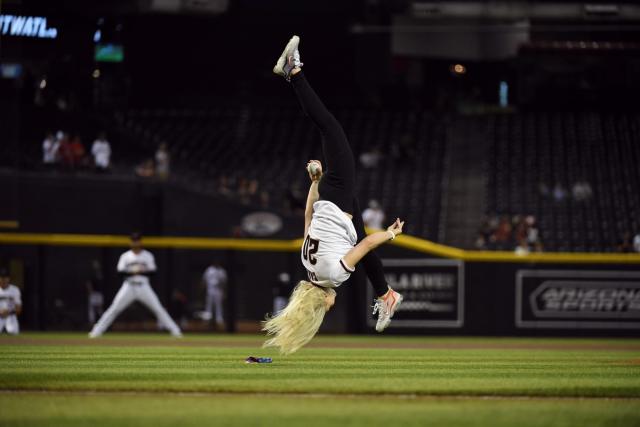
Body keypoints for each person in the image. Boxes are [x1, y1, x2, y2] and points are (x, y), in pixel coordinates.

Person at [262, 36, 405, 355]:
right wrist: (314, 180)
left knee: (329, 127)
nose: (329, 308)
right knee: (361, 236)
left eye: (324, 309)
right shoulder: (306, 264)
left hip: (338, 196)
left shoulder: (334, 276)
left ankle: (293, 72)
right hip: (328, 196)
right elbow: (308, 216)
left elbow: (369, 244)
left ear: (321, 300)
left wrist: (392, 235)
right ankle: (385, 295)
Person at [89, 232, 182, 338]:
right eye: (133, 240)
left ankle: (175, 330)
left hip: (144, 286)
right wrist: (133, 272)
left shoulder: (147, 255)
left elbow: (153, 272)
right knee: (114, 308)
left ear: (140, 242)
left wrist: (139, 272)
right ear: (131, 242)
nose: (135, 242)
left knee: (158, 308)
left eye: (137, 240)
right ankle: (97, 331)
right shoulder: (125, 256)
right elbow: (120, 273)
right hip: (128, 286)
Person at [201, 261, 227, 328]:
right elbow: (204, 280)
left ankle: (219, 321)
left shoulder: (222, 271)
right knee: (209, 306)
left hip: (218, 290)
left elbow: (224, 282)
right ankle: (207, 320)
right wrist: (203, 290)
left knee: (219, 306)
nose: (216, 263)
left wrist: (224, 291)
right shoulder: (209, 269)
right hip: (210, 289)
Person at [0, 268, 22, 335]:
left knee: (13, 332)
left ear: (8, 278)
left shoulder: (15, 290)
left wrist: (8, 312)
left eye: (6, 277)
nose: (4, 279)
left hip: (10, 316)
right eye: (2, 277)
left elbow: (19, 309)